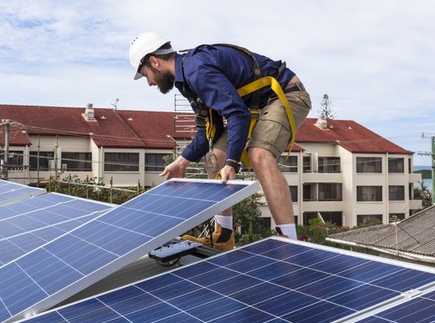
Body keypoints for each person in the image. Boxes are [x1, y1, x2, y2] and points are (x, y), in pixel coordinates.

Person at [129, 32, 311, 250]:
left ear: (154, 61)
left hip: (285, 94)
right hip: (253, 106)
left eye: (146, 74)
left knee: (259, 155)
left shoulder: (197, 70)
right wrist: (183, 161)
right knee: (215, 158)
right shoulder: (185, 79)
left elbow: (237, 114)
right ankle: (223, 236)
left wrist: (232, 163)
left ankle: (289, 243)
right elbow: (210, 129)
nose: (149, 82)